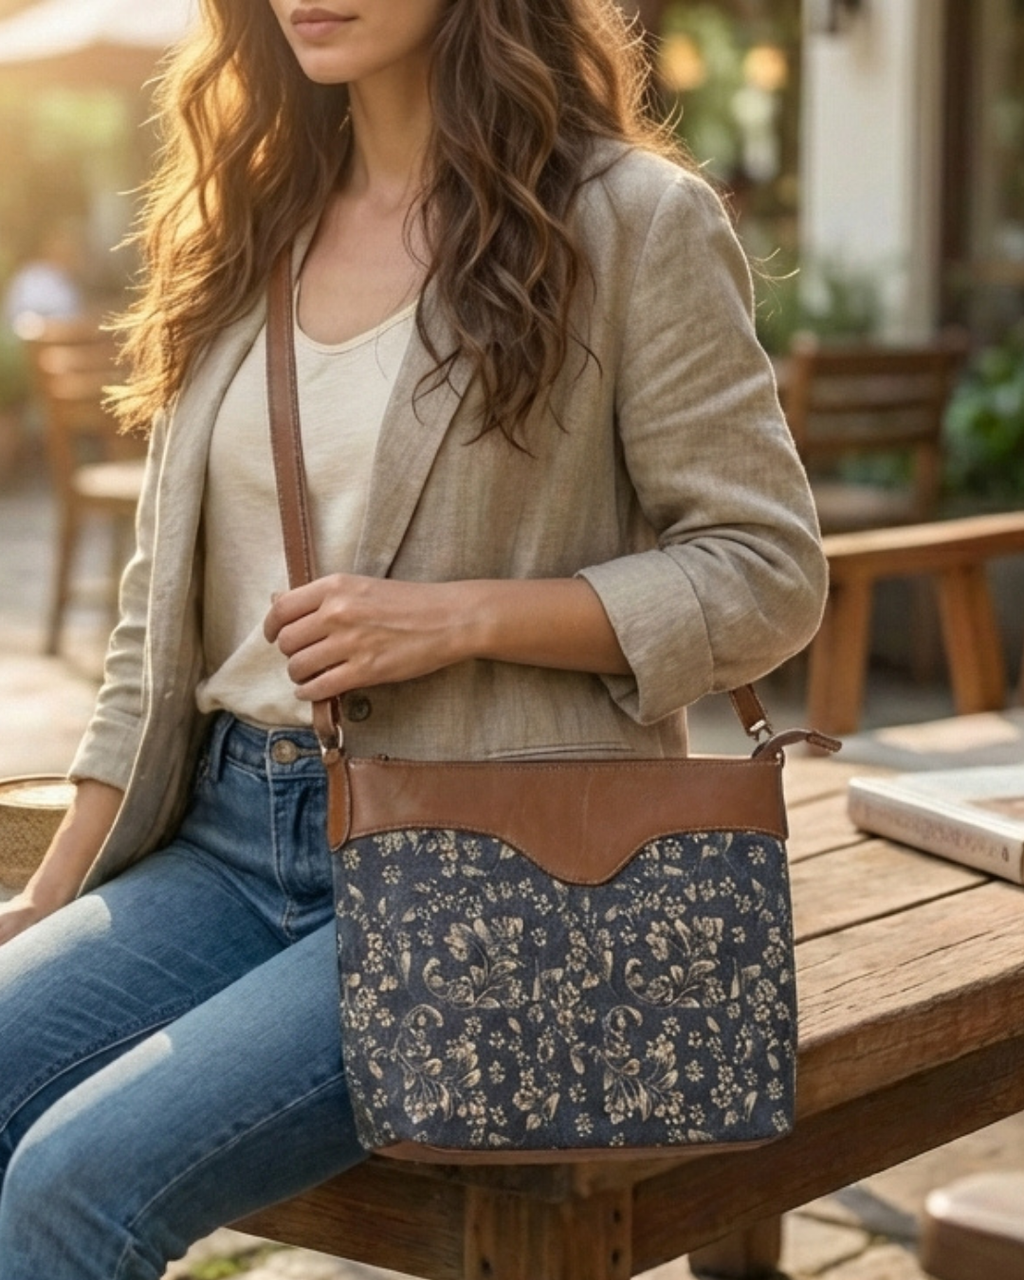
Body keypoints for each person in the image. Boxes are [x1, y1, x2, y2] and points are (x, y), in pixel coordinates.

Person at [0, 1, 828, 1275]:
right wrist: (49, 900)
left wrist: (460, 616)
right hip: (222, 838)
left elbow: (767, 571)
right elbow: (149, 631)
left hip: (501, 872)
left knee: (70, 1185)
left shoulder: (630, 220)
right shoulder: (244, 222)